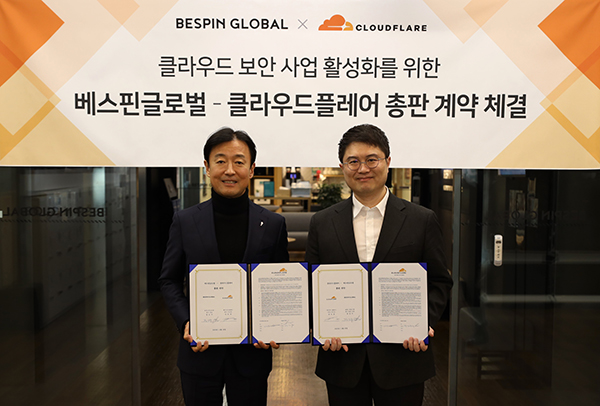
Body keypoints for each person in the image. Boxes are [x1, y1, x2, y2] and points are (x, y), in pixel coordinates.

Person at [305, 124, 452, 406]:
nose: (363, 168)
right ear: (342, 167)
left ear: (388, 161)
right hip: (342, 357)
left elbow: (439, 281)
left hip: (404, 357)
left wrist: (423, 322)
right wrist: (320, 326)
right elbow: (311, 284)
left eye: (371, 159)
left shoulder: (422, 219)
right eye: (353, 161)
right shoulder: (322, 222)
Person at [158, 127, 289, 406]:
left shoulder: (273, 224)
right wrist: (186, 321)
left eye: (239, 162)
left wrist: (274, 326)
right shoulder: (185, 221)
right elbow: (169, 280)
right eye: (220, 161)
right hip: (199, 350)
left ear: (251, 169)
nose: (230, 170)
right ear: (207, 167)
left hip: (252, 354)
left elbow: (280, 284)